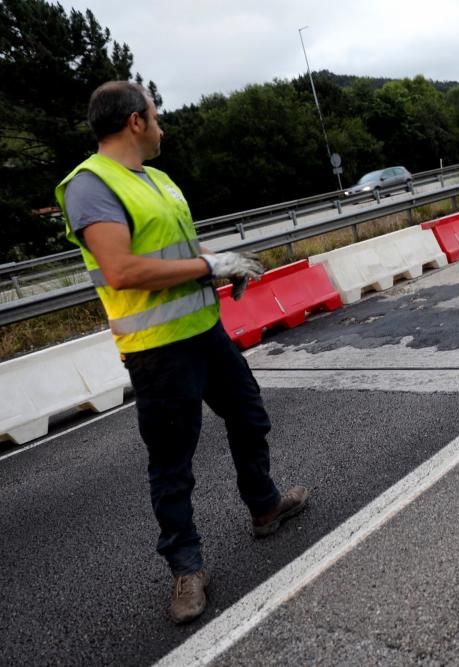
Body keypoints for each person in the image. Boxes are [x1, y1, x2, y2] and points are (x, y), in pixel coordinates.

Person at [54, 81, 308, 625]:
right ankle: (186, 568)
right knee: (172, 464)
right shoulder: (90, 185)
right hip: (157, 351)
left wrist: (226, 260)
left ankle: (265, 507)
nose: (163, 125)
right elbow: (122, 269)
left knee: (248, 415)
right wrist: (205, 269)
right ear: (134, 123)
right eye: (156, 115)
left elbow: (186, 249)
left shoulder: (160, 180)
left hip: (204, 331)